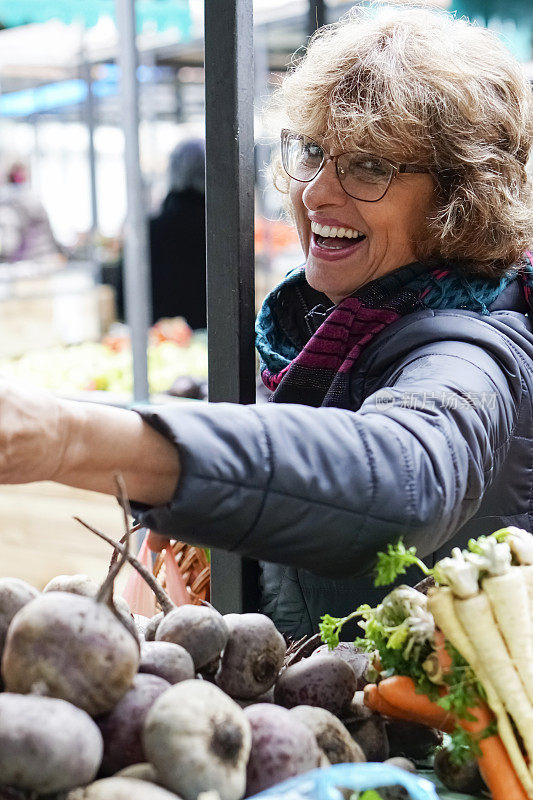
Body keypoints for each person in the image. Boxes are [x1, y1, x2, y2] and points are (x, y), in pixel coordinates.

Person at [0, 7, 532, 639]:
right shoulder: (336, 325)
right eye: (312, 151)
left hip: (421, 733)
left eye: (368, 165)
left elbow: (403, 483)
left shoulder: (473, 347)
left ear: (458, 194)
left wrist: (69, 438)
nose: (314, 193)